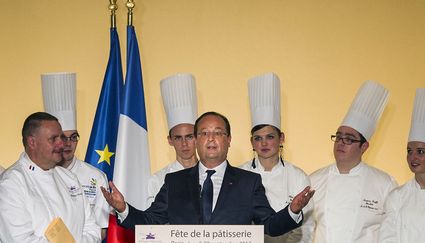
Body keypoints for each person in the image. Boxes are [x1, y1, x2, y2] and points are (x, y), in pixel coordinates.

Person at [102, 111, 314, 236]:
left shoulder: (248, 182)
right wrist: (123, 208)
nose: (211, 139)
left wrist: (292, 211)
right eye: (204, 133)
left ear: (228, 140)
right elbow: (150, 221)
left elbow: (269, 226)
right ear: (196, 139)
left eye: (218, 133)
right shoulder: (174, 182)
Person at [310, 81, 397, 243]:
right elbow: (305, 230)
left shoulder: (385, 183)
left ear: (364, 146)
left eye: (349, 139)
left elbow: (392, 233)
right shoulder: (314, 180)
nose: (341, 143)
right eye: (338, 137)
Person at [0, 112, 100, 242]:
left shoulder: (69, 178)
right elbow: (19, 239)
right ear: (32, 142)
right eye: (53, 139)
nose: (61, 144)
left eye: (61, 137)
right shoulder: (11, 183)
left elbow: (92, 229)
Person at [240, 73, 314, 243]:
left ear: (281, 138)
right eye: (258, 138)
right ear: (252, 142)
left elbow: (306, 226)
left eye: (270, 137)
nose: (264, 143)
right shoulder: (239, 174)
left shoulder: (298, 176)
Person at [41, 72, 110, 239]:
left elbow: (101, 229)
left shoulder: (96, 177)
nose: (67, 143)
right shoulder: (37, 176)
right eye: (62, 137)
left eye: (73, 137)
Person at [379, 88, 425, 243]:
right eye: (409, 151)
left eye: (421, 151)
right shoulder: (397, 196)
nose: (412, 157)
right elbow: (387, 238)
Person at [146, 73, 198, 207]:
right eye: (178, 138)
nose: (184, 144)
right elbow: (152, 220)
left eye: (189, 136)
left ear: (198, 137)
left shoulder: (213, 174)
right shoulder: (157, 180)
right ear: (170, 140)